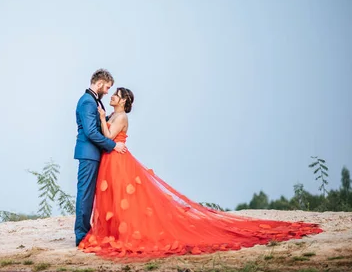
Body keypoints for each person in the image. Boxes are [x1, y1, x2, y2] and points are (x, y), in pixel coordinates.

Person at [78, 87, 323, 258]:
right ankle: (116, 231)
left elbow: (108, 136)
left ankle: (125, 233)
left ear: (122, 101)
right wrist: (103, 117)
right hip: (112, 159)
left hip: (118, 160)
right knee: (114, 199)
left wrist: (100, 118)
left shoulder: (119, 116)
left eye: (115, 94)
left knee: (125, 198)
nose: (111, 96)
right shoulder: (113, 114)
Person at [74, 69, 127, 246]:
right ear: (99, 83)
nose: (107, 91)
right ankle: (81, 236)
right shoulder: (88, 102)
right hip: (88, 154)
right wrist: (112, 145)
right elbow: (90, 132)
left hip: (95, 154)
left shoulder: (93, 101)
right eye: (107, 87)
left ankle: (87, 232)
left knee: (91, 194)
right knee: (85, 194)